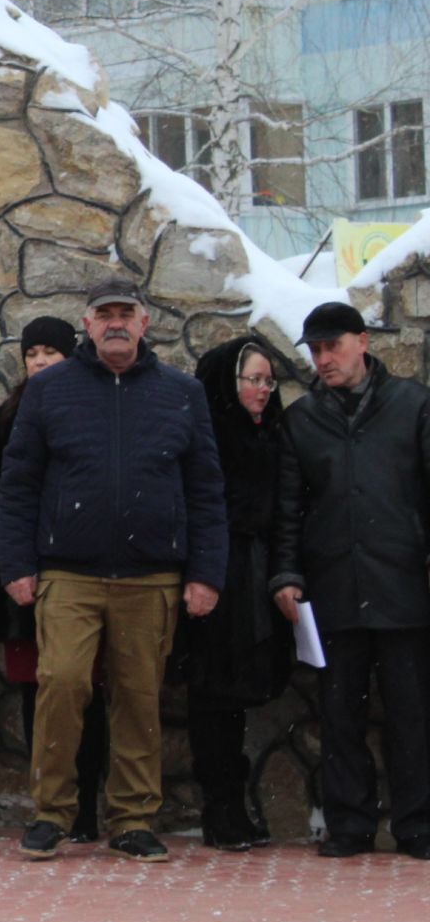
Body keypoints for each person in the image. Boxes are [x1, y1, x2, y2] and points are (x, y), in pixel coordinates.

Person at [0, 278, 226, 862]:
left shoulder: (183, 393)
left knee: (139, 697)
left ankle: (132, 818)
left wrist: (207, 573)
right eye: (106, 315)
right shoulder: (50, 391)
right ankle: (51, 813)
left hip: (151, 577)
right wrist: (17, 563)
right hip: (68, 573)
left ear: (144, 323)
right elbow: (17, 484)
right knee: (63, 683)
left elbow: (205, 490)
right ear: (88, 324)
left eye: (127, 313)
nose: (116, 323)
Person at [270, 302, 430, 859]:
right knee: (340, 717)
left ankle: (418, 826)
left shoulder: (413, 405)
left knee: (413, 715)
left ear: (362, 341)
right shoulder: (302, 419)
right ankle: (349, 825)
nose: (322, 359)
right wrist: (287, 575)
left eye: (331, 346)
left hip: (403, 587)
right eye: (313, 350)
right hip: (332, 588)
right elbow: (287, 509)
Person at [0, 317, 110, 843]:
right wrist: (18, 562)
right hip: (23, 582)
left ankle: (85, 809)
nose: (38, 362)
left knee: (88, 691)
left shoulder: (90, 407)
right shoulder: (5, 416)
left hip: (81, 573)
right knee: (40, 693)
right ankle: (49, 806)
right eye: (31, 352)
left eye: (49, 353)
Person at [177, 336, 295, 851]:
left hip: (257, 574)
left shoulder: (273, 433)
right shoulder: (205, 436)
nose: (264, 390)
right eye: (254, 379)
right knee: (212, 695)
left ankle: (234, 804)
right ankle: (219, 806)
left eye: (270, 380)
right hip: (214, 575)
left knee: (239, 694)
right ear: (230, 382)